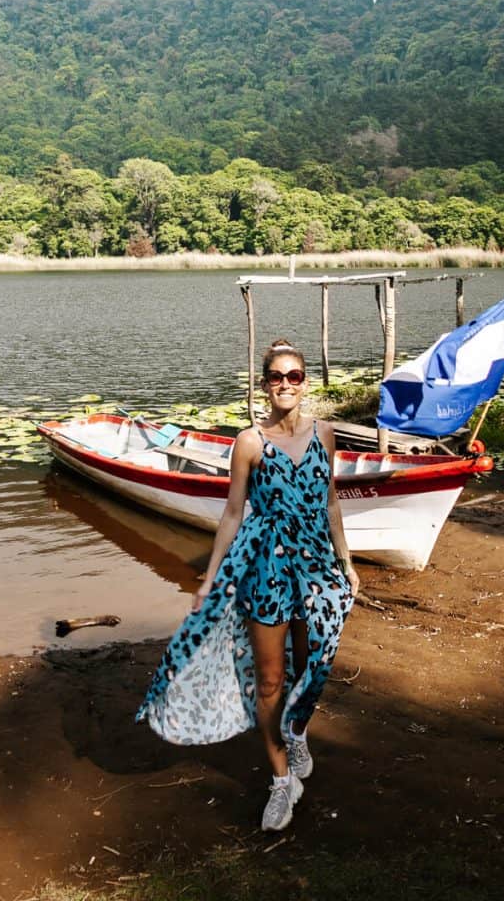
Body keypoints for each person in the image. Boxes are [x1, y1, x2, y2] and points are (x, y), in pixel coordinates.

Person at [137, 339, 359, 832]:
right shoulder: (250, 442)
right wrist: (210, 577)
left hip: (318, 566)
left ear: (305, 382)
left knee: (314, 664)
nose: (285, 384)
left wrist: (346, 560)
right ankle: (281, 781)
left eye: (294, 376)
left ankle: (296, 729)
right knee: (270, 681)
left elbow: (330, 503)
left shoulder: (325, 434)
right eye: (276, 377)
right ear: (265, 385)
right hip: (266, 570)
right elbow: (233, 512)